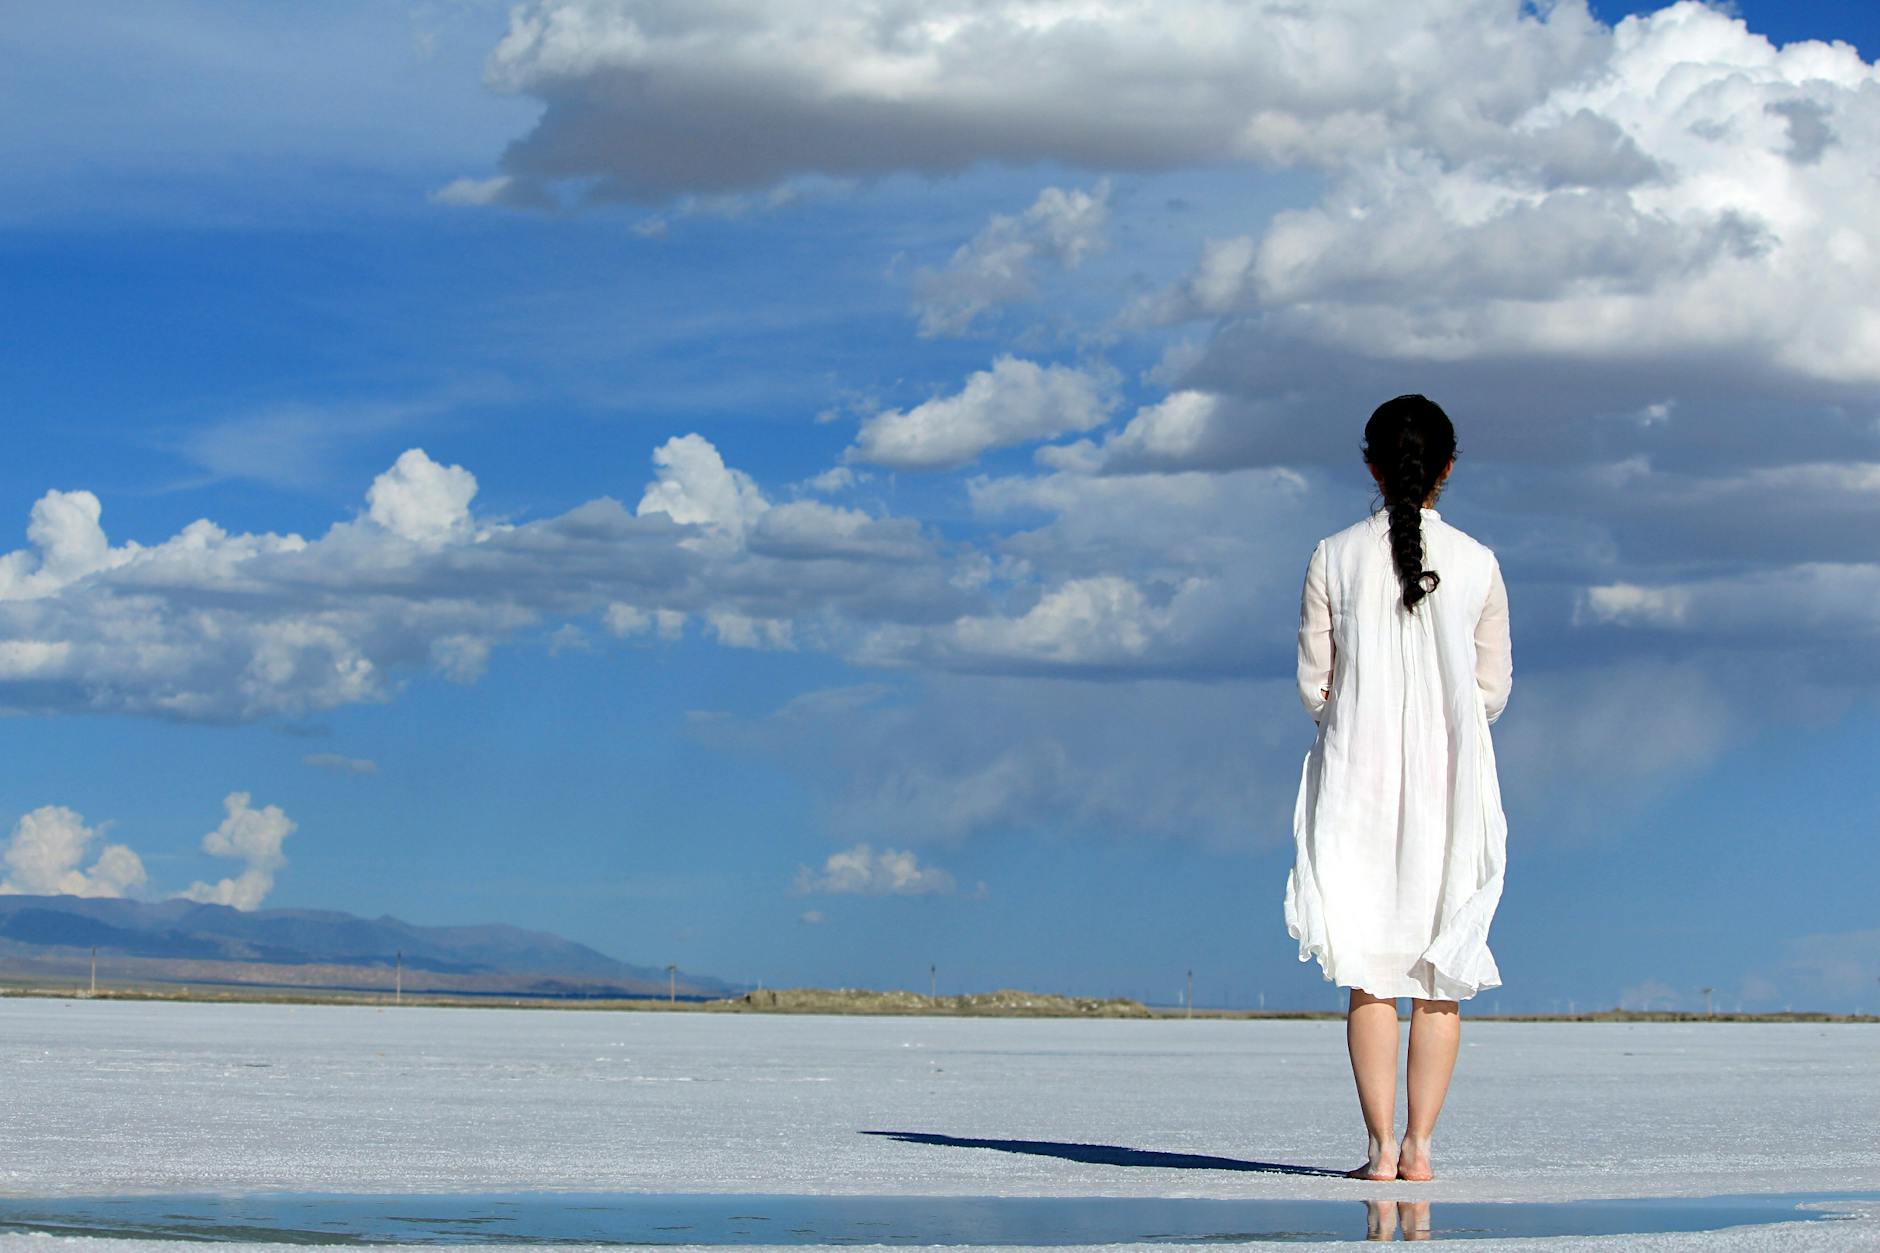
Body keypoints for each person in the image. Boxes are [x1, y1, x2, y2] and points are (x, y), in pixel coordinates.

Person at [1283, 393, 1513, 1183]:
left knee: (1371, 971)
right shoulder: (1479, 562)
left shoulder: (1332, 555)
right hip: (1451, 784)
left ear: (1372, 465)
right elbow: (1492, 691)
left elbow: (1317, 686)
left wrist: (1360, 718)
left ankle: (1381, 1151)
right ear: (1446, 468)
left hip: (1357, 781)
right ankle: (1419, 1149)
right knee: (1439, 975)